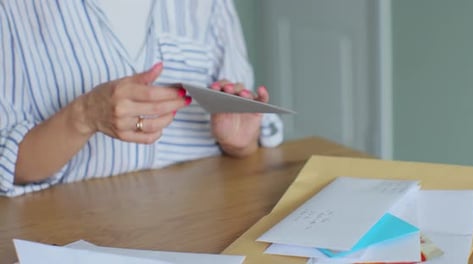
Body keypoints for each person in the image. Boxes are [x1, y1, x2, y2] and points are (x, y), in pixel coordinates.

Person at [0, 0, 283, 197]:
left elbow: (246, 144)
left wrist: (239, 141)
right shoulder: (13, 9)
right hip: (65, 232)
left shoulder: (210, 4)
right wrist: (84, 116)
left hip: (206, 221)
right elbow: (8, 166)